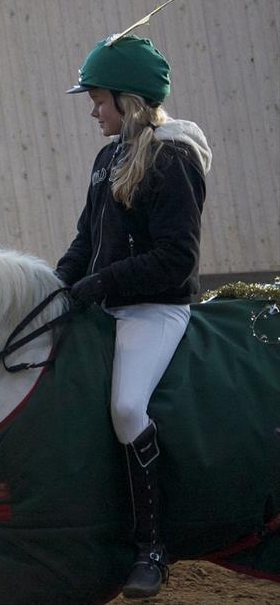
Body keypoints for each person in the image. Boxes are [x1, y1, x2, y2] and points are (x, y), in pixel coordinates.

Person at [55, 34, 211, 599]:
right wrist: (56, 284)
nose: (93, 111)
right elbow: (84, 239)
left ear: (128, 99)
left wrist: (101, 283)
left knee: (126, 408)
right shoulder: (108, 157)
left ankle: (152, 545)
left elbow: (177, 258)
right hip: (106, 303)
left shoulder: (174, 159)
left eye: (98, 100)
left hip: (154, 310)